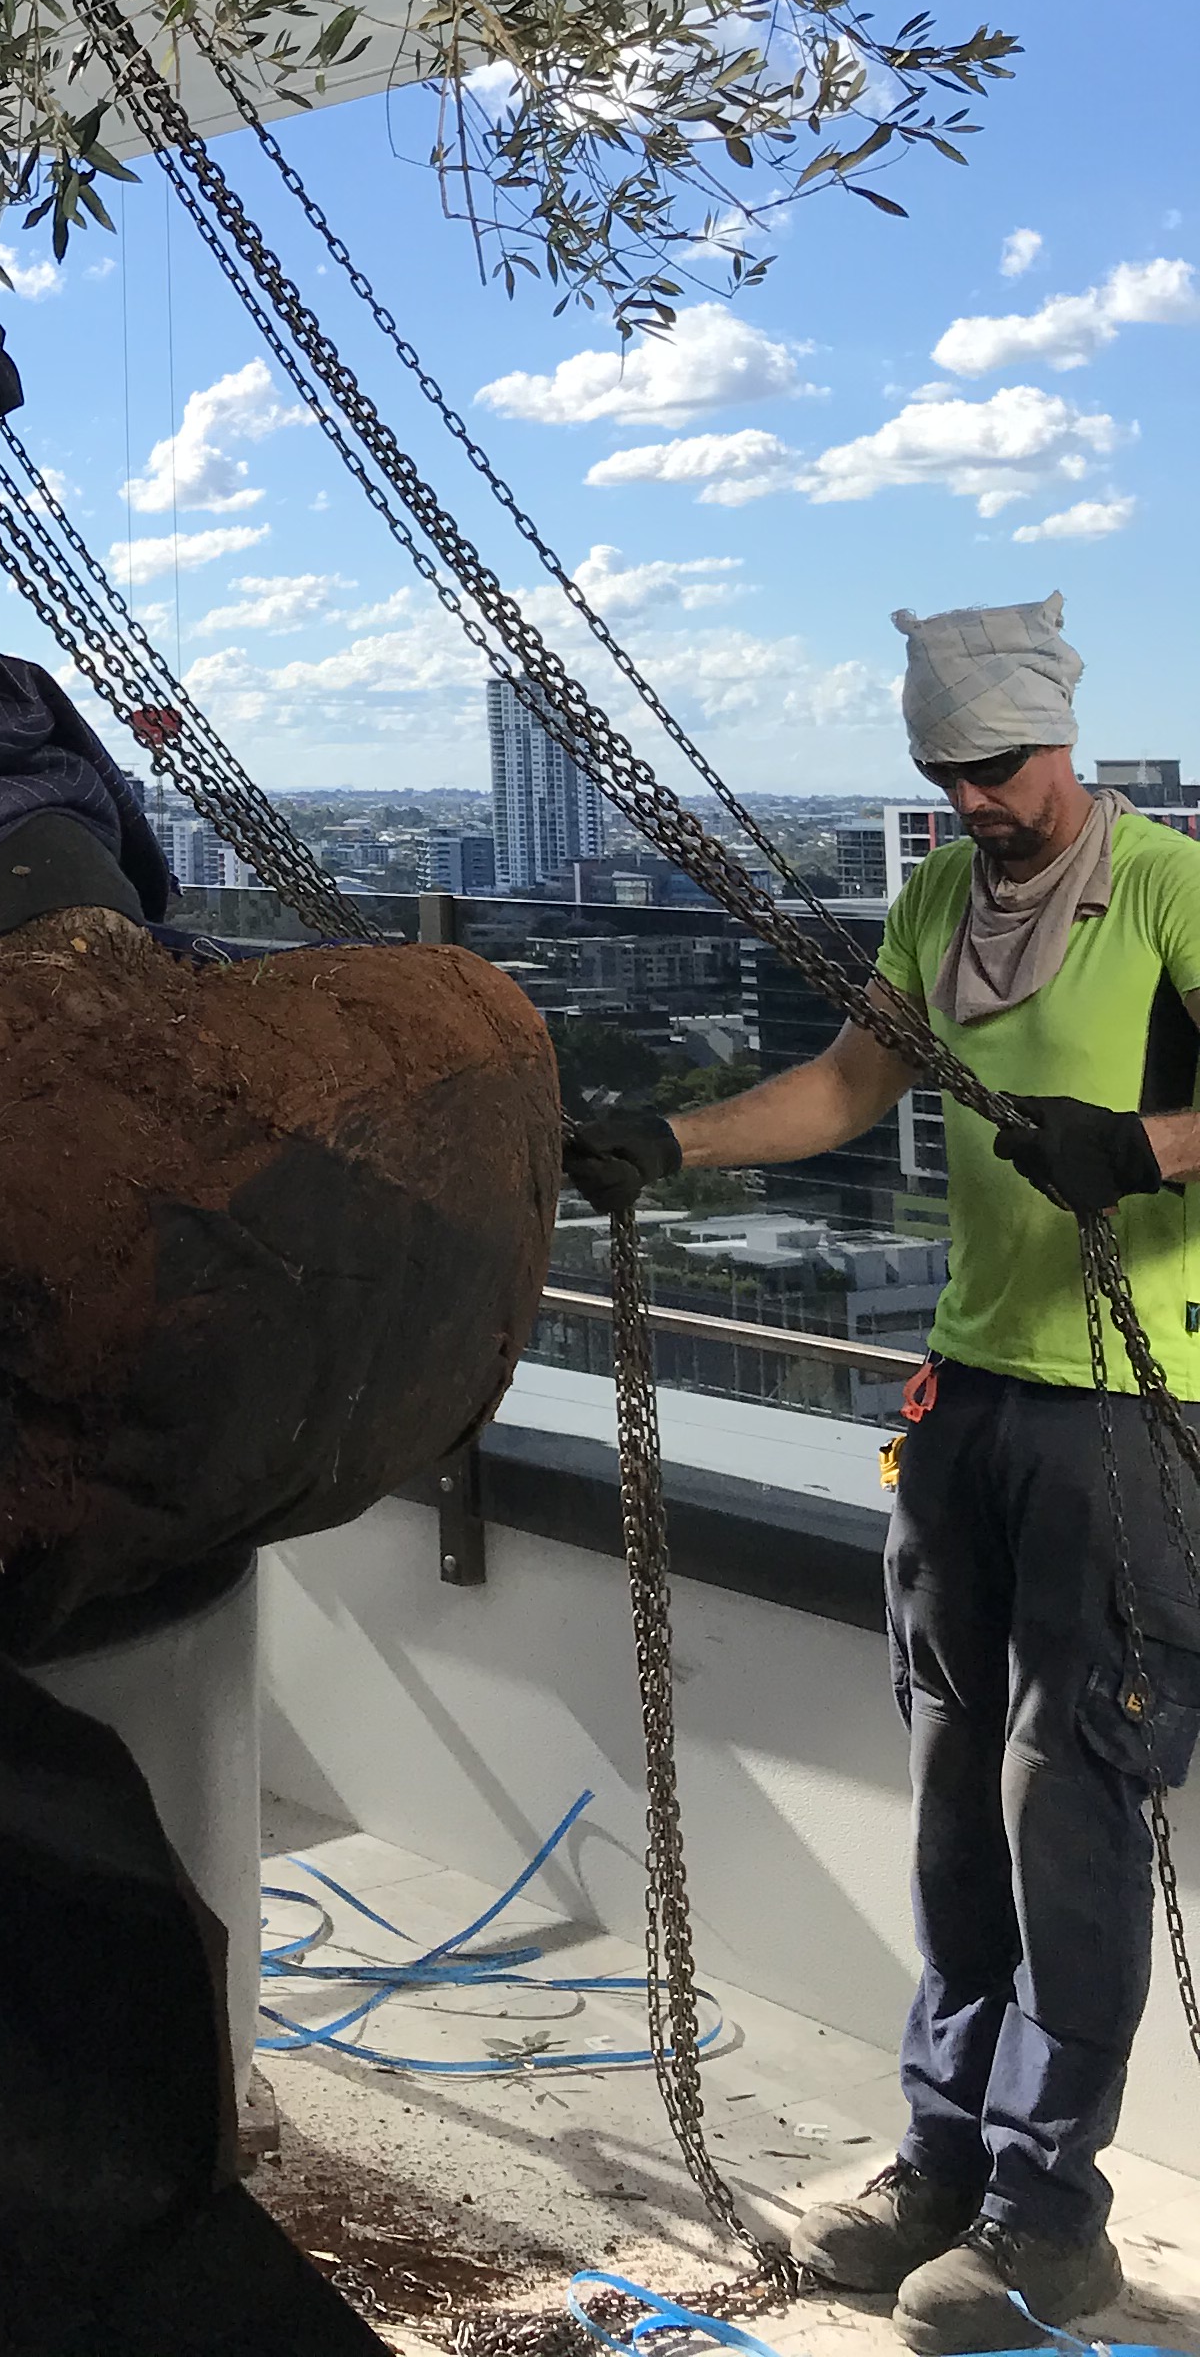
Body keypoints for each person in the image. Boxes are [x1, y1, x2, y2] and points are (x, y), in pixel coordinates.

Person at [565, 591, 1200, 2357]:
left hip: (1131, 1409)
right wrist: (667, 1142)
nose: (977, 800)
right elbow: (851, 1085)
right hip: (978, 1390)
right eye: (946, 775)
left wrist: (1140, 1146)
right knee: (949, 1797)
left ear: (1059, 735)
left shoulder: (1167, 885)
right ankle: (939, 2160)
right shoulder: (936, 900)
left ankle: (1046, 2218)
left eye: (998, 769)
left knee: (1064, 1802)